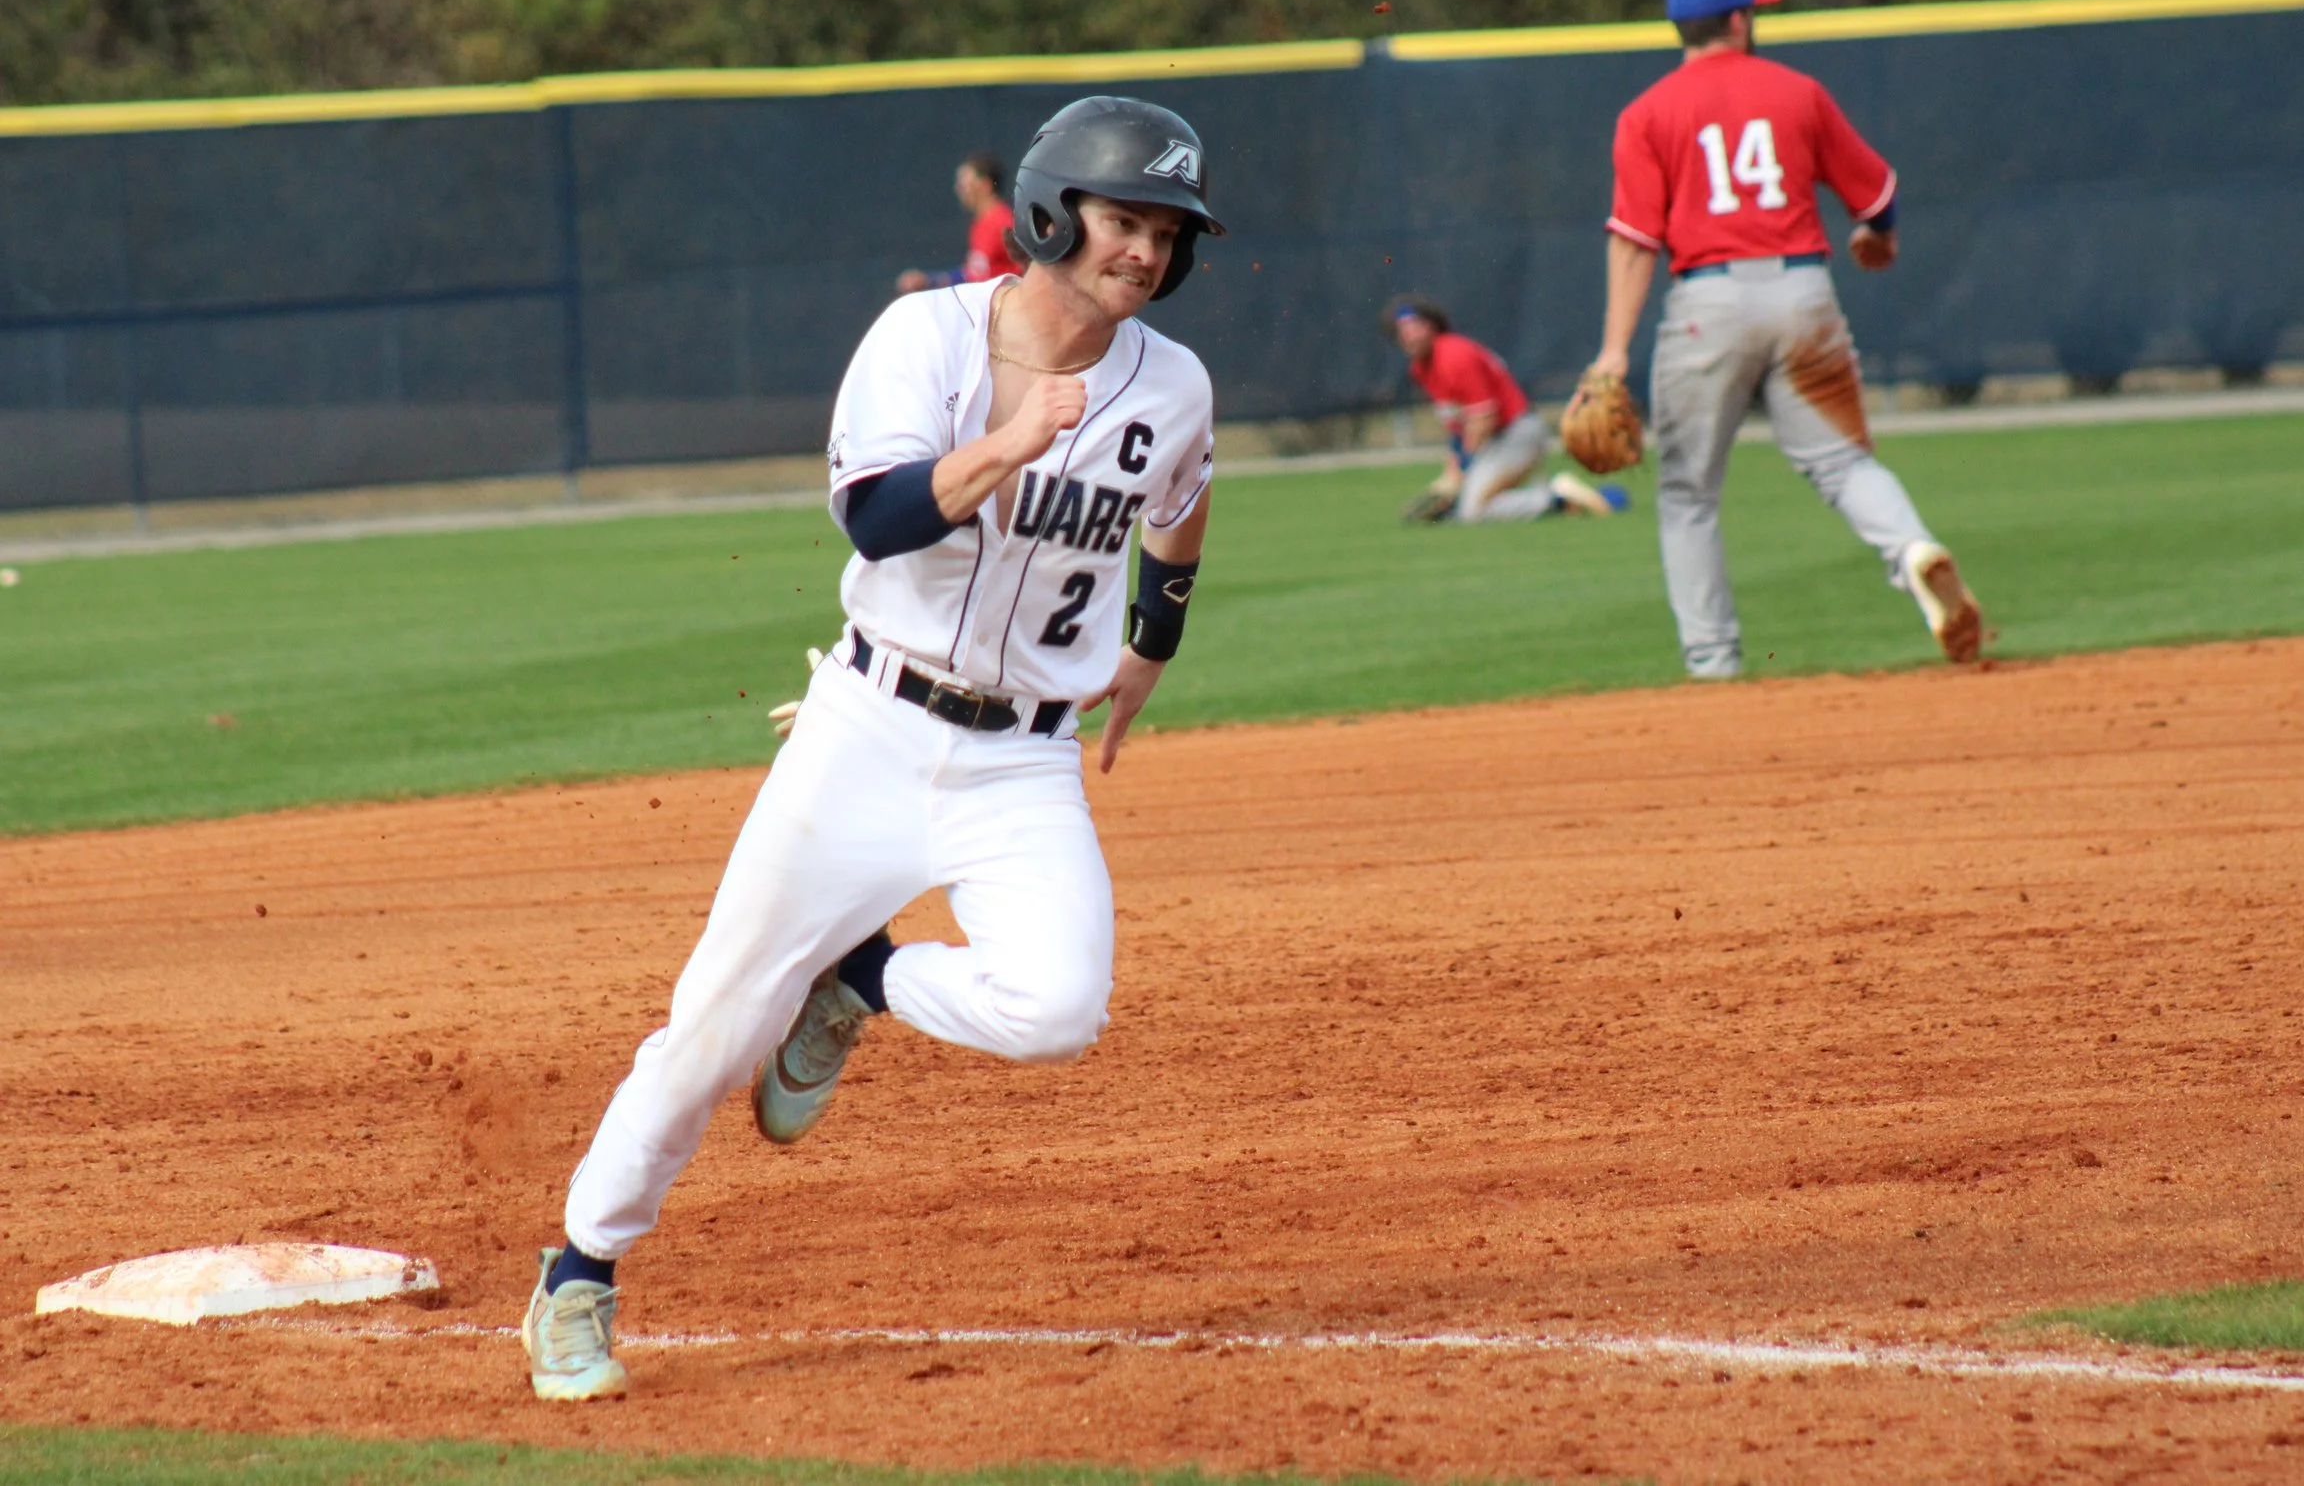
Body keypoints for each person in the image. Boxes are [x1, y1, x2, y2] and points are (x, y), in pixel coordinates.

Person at [523, 96, 1224, 1401]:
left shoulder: (1172, 383)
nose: (1145, 251)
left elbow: (1180, 507)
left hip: (1025, 759)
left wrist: (1154, 641)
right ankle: (580, 1273)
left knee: (1056, 1007)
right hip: (868, 730)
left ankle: (863, 979)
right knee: (713, 1025)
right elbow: (879, 519)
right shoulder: (927, 336)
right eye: (1125, 220)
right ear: (1054, 211)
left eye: (1168, 232)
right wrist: (1010, 441)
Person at [1585, 0, 1983, 678]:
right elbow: (1875, 197)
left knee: (1688, 493)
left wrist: (1614, 351)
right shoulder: (1798, 92)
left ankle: (1713, 662)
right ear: (1739, 19)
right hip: (1804, 297)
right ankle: (1912, 549)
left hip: (1708, 303)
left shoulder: (1646, 113)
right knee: (1840, 463)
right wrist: (1879, 239)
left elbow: (1636, 241)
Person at [1388, 297, 1624, 523]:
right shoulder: (1421, 368)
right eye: (1403, 330)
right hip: (1497, 440)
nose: (1410, 335)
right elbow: (1458, 427)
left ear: (1433, 326)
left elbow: (1484, 418)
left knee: (1473, 511)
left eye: (1417, 326)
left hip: (1517, 433)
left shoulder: (1453, 354)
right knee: (1459, 505)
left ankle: (1557, 498)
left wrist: (1461, 471)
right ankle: (1558, 495)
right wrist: (1449, 474)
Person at [895, 152, 1026, 293]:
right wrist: (929, 280)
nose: (959, 189)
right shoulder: (980, 224)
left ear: (985, 185)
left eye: (964, 185)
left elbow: (1030, 268)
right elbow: (972, 274)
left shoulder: (1004, 222)